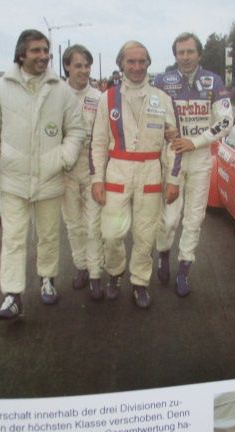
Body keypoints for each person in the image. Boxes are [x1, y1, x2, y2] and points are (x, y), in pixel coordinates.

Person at [0, 29, 86, 320]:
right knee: (13, 238)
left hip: (50, 177)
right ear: (21, 54)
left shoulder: (60, 89)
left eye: (45, 50)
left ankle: (47, 279)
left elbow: (76, 130)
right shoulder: (0, 89)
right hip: (13, 178)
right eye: (36, 50)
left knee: (48, 235)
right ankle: (12, 295)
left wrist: (63, 158)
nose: (43, 56)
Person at [90, 40, 181, 309]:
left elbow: (174, 143)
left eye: (142, 61)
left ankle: (140, 282)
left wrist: (173, 179)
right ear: (121, 64)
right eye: (131, 61)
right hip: (117, 171)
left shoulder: (162, 99)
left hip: (150, 172)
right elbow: (98, 143)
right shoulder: (107, 98)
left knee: (144, 235)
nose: (137, 66)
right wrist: (97, 179)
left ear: (148, 63)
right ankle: (115, 272)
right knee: (111, 234)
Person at [153, 32, 233, 297]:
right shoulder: (162, 81)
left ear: (199, 54)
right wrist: (163, 130)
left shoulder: (214, 81)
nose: (185, 57)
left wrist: (195, 142)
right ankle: (163, 254)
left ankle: (184, 269)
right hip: (171, 156)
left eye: (190, 52)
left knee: (194, 218)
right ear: (175, 55)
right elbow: (150, 116)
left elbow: (226, 121)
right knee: (169, 219)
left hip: (200, 157)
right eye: (181, 52)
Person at [60, 45, 104, 300]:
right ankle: (81, 267)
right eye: (78, 65)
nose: (84, 70)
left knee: (93, 225)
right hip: (65, 170)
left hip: (92, 167)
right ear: (67, 66)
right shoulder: (55, 95)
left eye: (87, 66)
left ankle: (95, 274)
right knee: (74, 225)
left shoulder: (99, 97)